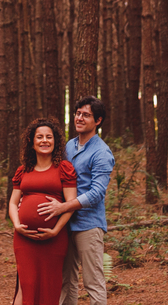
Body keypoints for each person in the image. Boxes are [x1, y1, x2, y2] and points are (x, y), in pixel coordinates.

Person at [36, 96, 114, 305]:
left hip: (88, 225)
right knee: (65, 280)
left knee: (93, 281)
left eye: (86, 115)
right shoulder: (68, 147)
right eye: (78, 113)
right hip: (64, 225)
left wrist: (64, 206)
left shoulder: (101, 152)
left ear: (97, 121)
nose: (80, 118)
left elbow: (97, 192)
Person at [8, 117, 77, 305]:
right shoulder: (23, 171)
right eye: (39, 137)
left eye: (49, 137)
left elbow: (71, 204)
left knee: (49, 285)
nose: (44, 140)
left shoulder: (64, 169)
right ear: (32, 142)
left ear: (55, 142)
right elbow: (13, 203)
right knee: (26, 283)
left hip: (54, 239)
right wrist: (17, 225)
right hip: (24, 239)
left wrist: (56, 230)